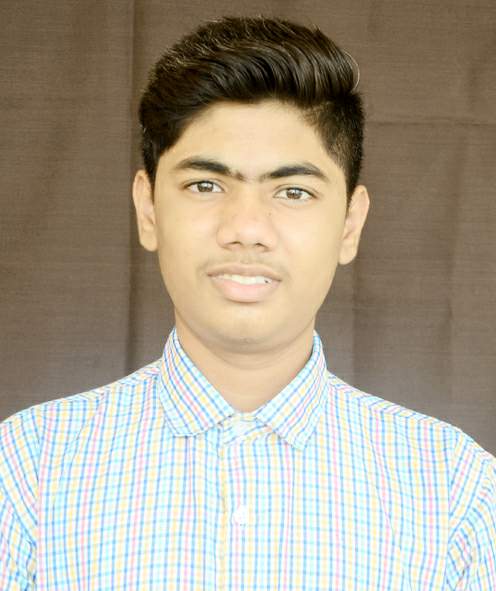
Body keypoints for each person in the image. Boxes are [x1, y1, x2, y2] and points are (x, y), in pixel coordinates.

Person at [0, 15, 494, 590]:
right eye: (206, 185)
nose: (247, 230)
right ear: (148, 208)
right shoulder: (28, 470)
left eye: (294, 191)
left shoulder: (455, 491)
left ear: (350, 224)